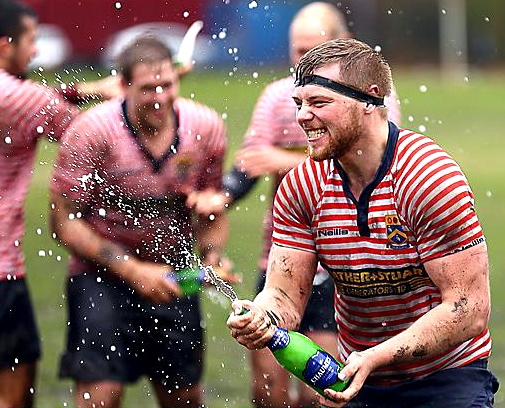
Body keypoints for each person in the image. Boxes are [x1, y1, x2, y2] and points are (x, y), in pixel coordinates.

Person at [227, 37, 499, 408]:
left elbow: (469, 309)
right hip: (360, 378)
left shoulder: (429, 178)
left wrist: (375, 356)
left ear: (370, 100)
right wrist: (263, 314)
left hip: (447, 377)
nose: (302, 116)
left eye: (319, 102)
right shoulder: (302, 186)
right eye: (299, 104)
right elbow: (286, 296)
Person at [190, 3, 400, 407]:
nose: (302, 61)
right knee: (266, 387)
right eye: (295, 51)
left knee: (321, 389)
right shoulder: (277, 96)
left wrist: (283, 161)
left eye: (312, 49)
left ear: (341, 48)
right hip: (282, 250)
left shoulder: (367, 98)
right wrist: (223, 196)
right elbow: (250, 161)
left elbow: (374, 155)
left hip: (347, 257)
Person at [49, 34, 234, 408]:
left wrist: (212, 260)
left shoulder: (205, 127)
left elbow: (211, 209)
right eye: (148, 88)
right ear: (123, 85)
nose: (161, 97)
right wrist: (134, 271)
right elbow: (62, 221)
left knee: (183, 396)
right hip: (100, 275)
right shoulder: (92, 132)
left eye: (168, 85)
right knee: (100, 395)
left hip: (176, 271)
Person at [0, 0, 120, 406]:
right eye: (31, 40)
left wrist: (88, 89)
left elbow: (36, 96)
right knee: (15, 392)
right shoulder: (17, 98)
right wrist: (139, 93)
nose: (35, 51)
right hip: (1, 272)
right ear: (4, 44)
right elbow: (86, 131)